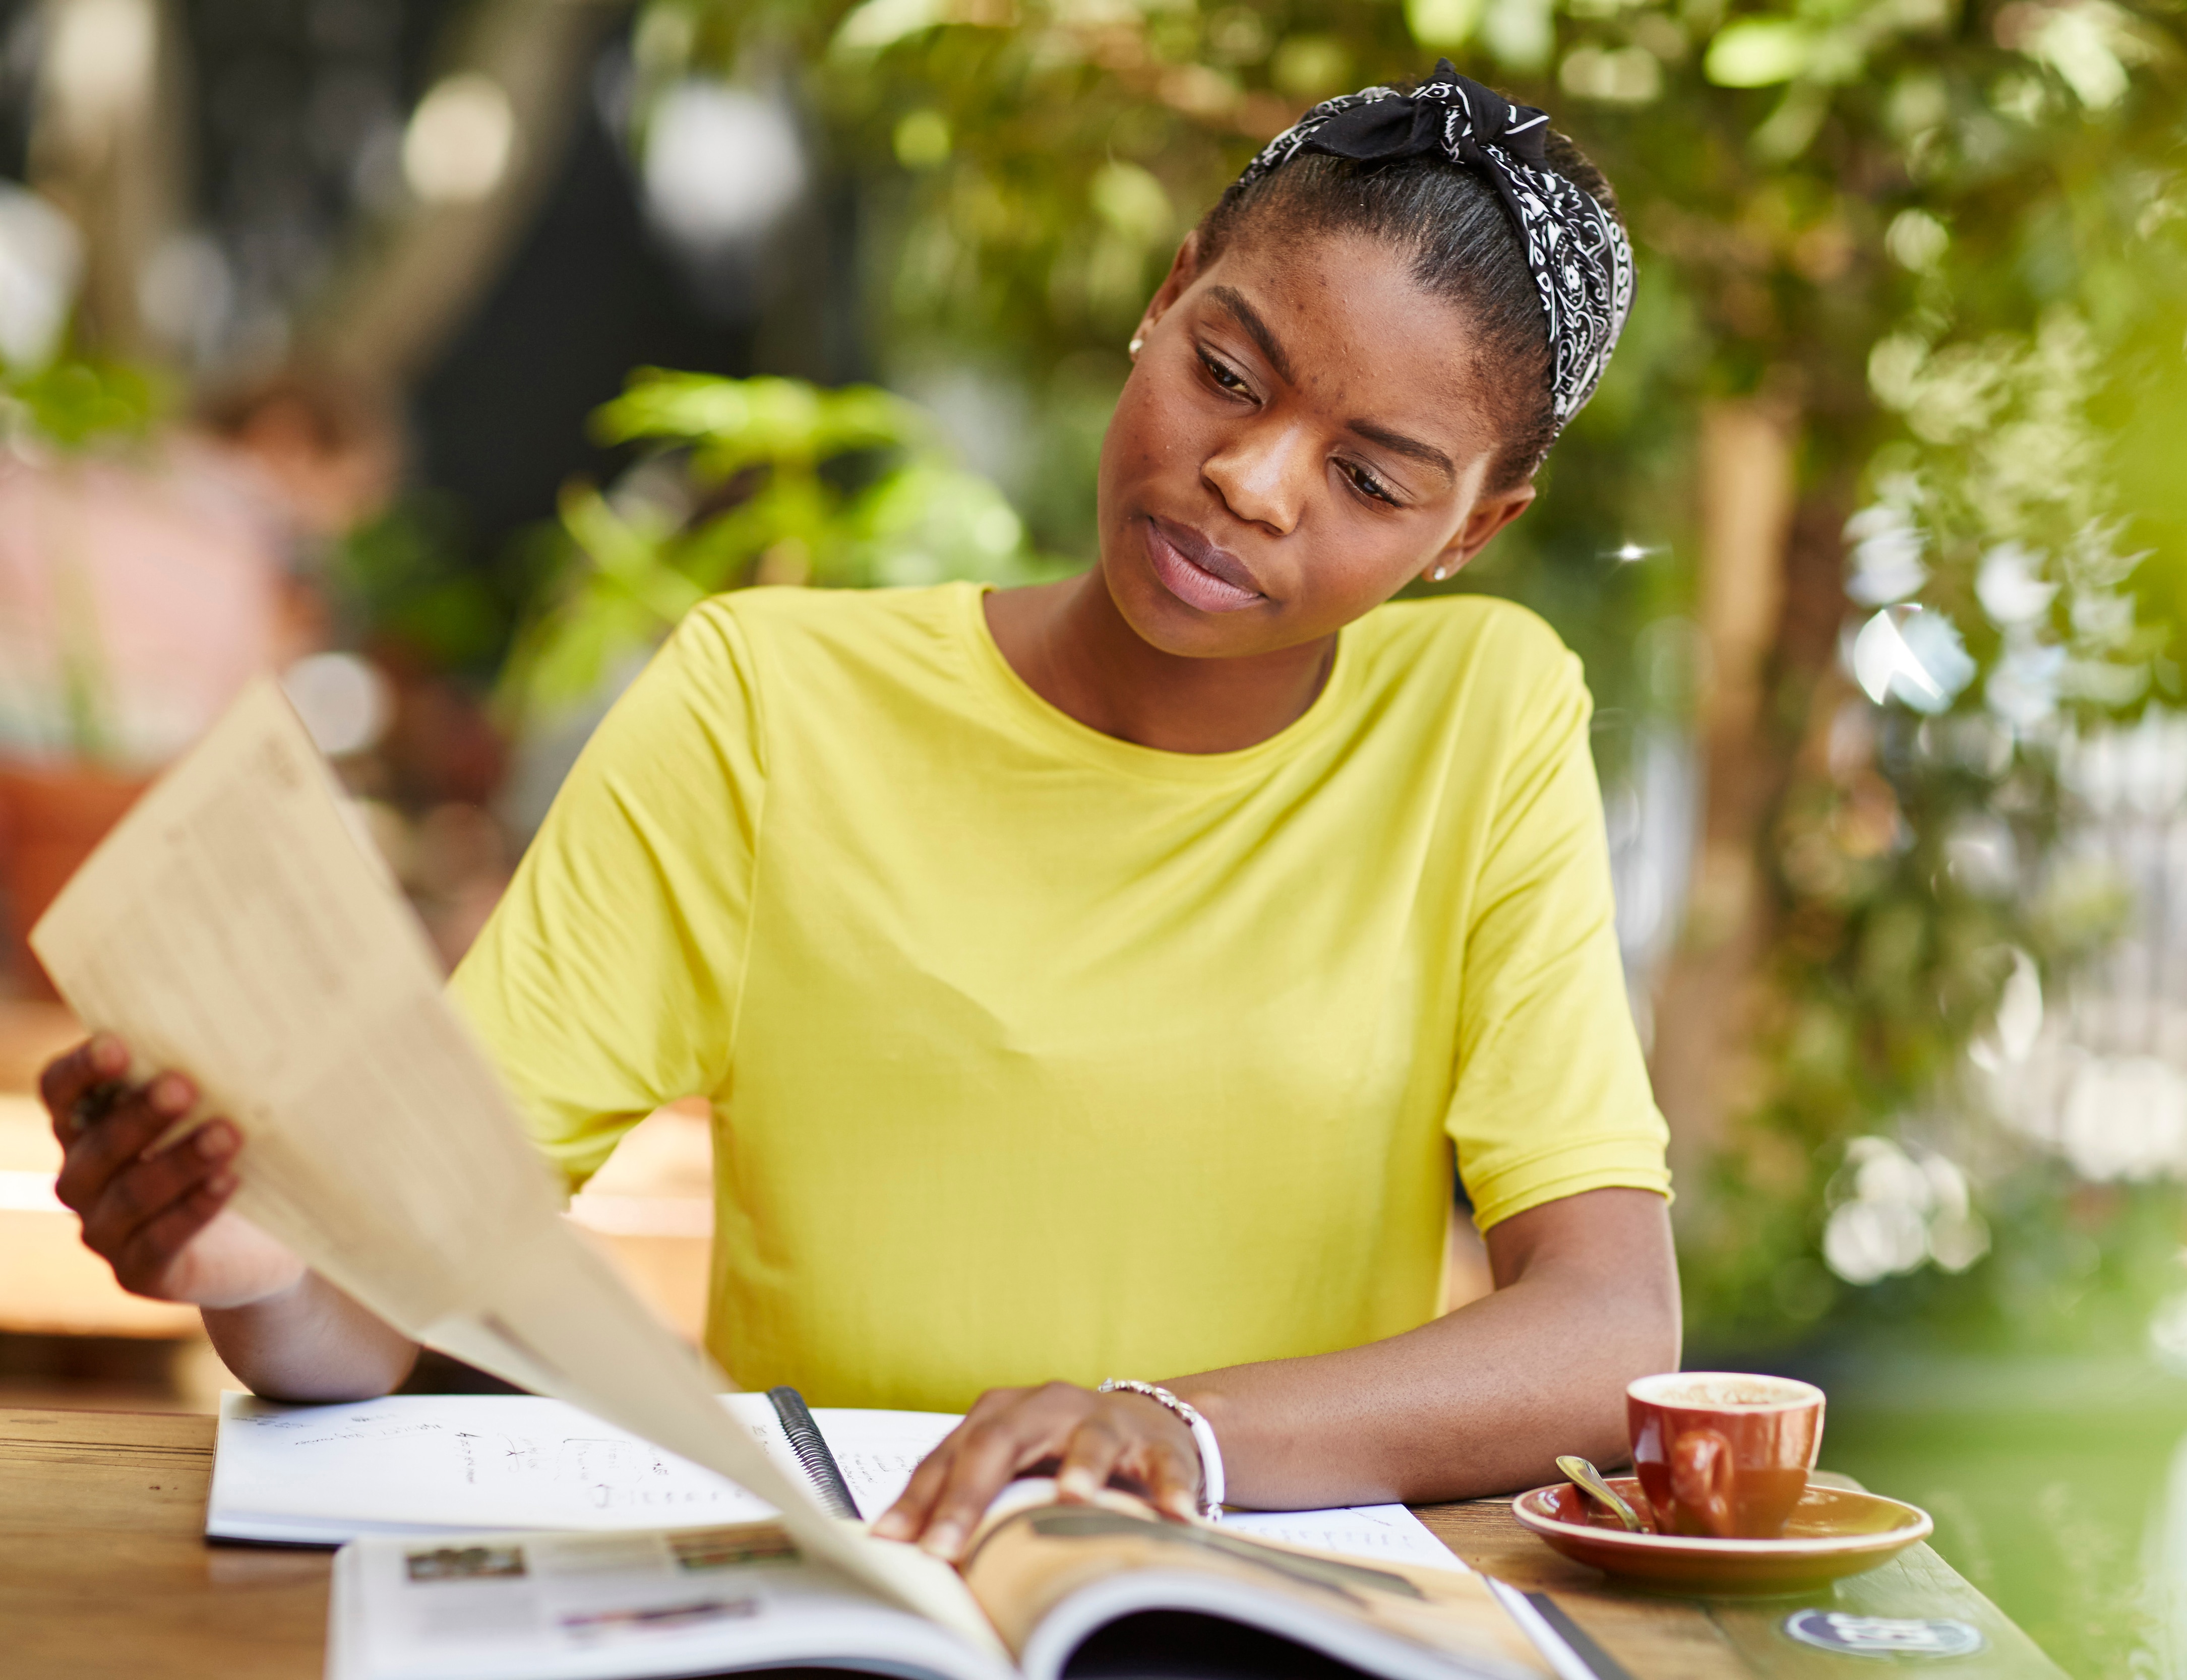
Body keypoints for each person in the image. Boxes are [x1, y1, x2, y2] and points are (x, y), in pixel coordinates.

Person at [42, 65, 1680, 1560]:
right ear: (1169, 293)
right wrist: (242, 1262)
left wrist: (1170, 1432)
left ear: (1476, 529)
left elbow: (1607, 1334)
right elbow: (370, 1297)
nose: (1255, 480)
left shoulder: (1481, 722)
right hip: (845, 1606)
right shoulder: (766, 706)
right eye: (1230, 373)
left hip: (1237, 1607)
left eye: (1374, 480)